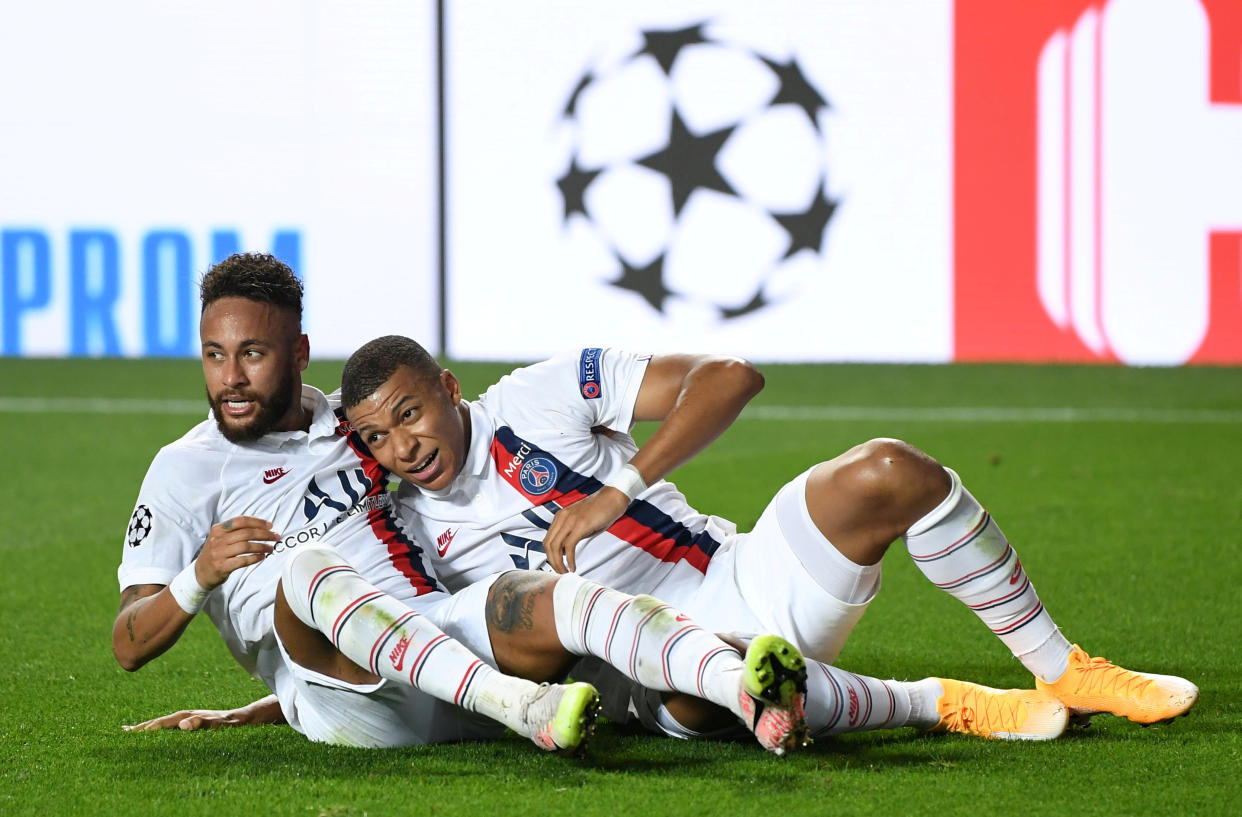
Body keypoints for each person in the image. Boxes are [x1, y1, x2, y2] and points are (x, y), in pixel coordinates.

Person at [114, 253, 812, 755]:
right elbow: (128, 642)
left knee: (554, 593)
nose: (230, 378)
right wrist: (198, 575)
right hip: (341, 686)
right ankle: (524, 708)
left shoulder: (357, 426)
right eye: (213, 355)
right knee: (308, 570)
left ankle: (855, 695)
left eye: (252, 354)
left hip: (443, 647)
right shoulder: (183, 471)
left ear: (297, 352)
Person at [337, 337, 1199, 741]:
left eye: (411, 413)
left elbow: (730, 377)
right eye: (377, 438)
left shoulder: (539, 395)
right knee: (728, 680)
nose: (404, 446)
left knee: (890, 471)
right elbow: (405, 644)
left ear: (449, 389)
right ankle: (936, 701)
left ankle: (1064, 667)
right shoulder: (407, 530)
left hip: (742, 568)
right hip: (657, 672)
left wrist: (617, 489)